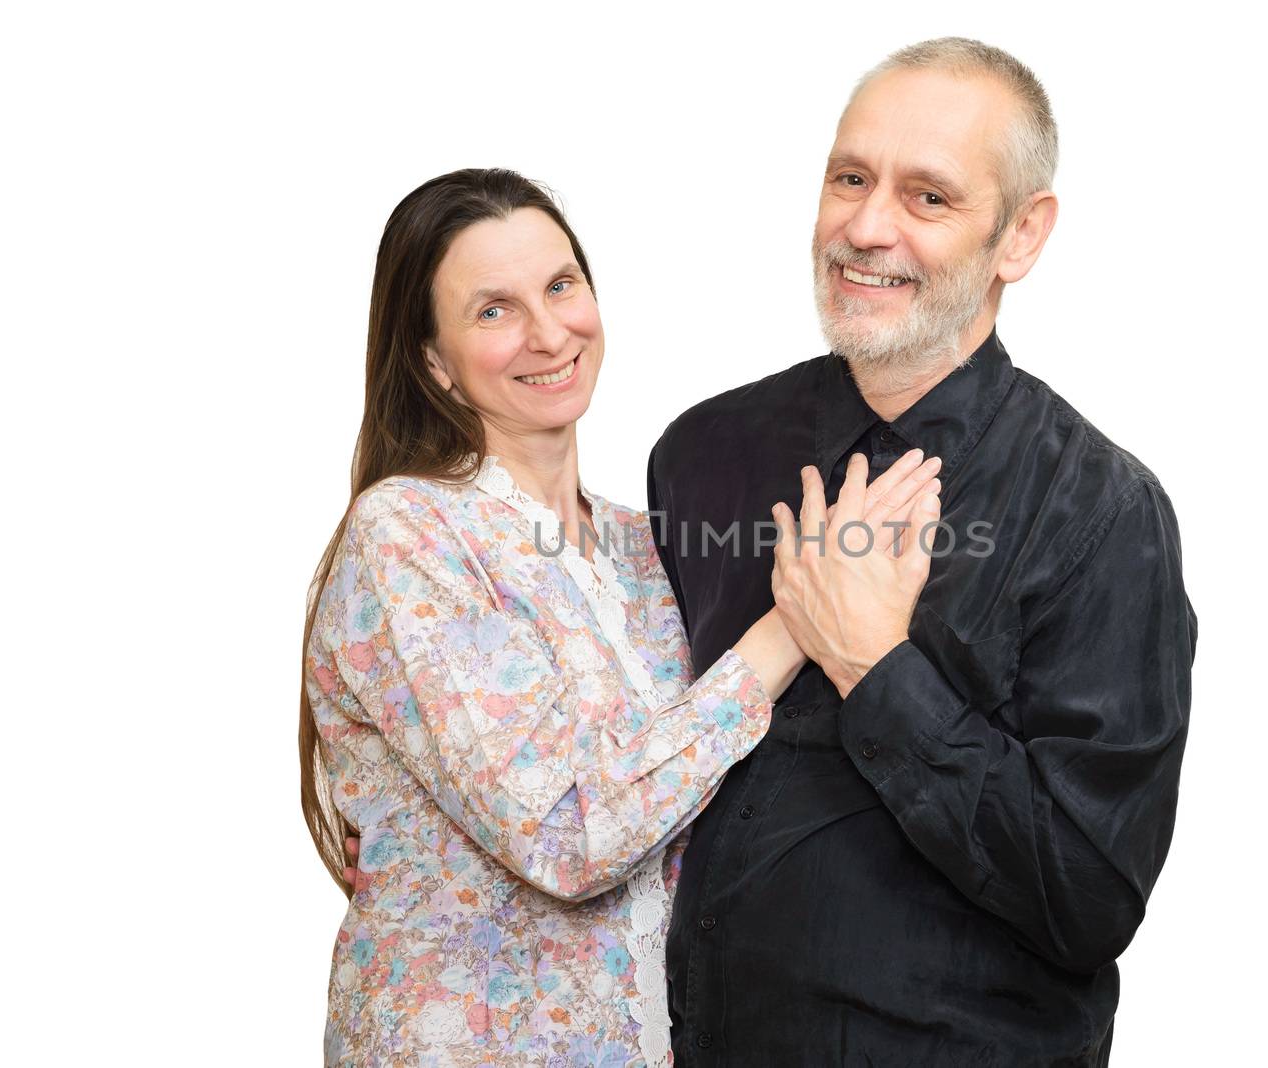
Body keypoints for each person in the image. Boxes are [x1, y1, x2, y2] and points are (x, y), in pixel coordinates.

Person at [298, 168, 943, 1065]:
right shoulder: (409, 537)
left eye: (561, 286)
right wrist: (800, 620)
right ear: (433, 362)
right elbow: (569, 834)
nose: (548, 331)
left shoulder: (645, 548)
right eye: (493, 311)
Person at [648, 38, 1198, 1065]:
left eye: (927, 197)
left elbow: (1087, 894)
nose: (864, 227)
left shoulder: (1101, 512)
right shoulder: (704, 454)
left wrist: (875, 667)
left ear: (1020, 236)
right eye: (848, 178)